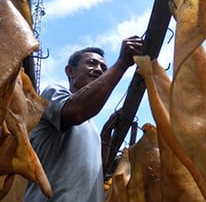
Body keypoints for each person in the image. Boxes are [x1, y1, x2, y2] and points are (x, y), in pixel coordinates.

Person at [24, 35, 144, 202]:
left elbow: (99, 168)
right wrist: (122, 63)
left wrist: (107, 128)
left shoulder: (90, 124)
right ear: (70, 71)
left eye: (104, 67)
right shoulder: (53, 94)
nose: (99, 69)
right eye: (92, 63)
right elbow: (76, 111)